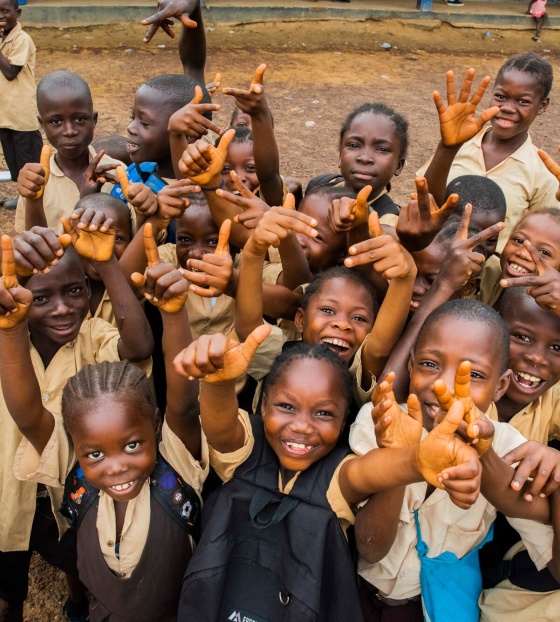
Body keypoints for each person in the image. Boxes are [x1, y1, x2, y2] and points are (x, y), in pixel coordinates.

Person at [174, 329, 484, 620]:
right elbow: (221, 428)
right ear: (263, 405)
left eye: (323, 413)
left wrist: (414, 460)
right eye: (286, 406)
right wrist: (217, 384)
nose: (303, 426)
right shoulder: (246, 450)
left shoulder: (336, 475)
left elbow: (366, 474)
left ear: (343, 419)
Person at [0, 240, 208, 621]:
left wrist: (175, 317)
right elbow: (29, 414)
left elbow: (184, 402)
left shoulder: (177, 467)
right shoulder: (77, 477)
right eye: (94, 453)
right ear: (75, 447)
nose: (115, 466)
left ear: (157, 424)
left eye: (131, 444)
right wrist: (11, 332)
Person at [351, 299, 560, 621]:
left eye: (473, 374)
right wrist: (398, 459)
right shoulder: (381, 423)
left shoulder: (507, 446)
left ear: (500, 386)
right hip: (358, 592)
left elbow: (544, 539)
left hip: (436, 606)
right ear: (410, 366)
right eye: (430, 365)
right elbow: (370, 548)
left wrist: (485, 455)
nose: (443, 386)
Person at [0, 208, 152, 621]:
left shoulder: (94, 336)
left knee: (76, 558)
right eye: (41, 297)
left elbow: (137, 347)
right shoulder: (5, 334)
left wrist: (108, 264)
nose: (64, 309)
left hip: (69, 486)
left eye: (75, 291)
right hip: (7, 492)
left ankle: (77, 598)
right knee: (6, 584)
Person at [419, 54, 560, 251]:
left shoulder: (542, 173)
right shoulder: (460, 145)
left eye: (523, 101)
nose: (507, 108)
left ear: (542, 106)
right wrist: (447, 148)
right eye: (501, 97)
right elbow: (425, 204)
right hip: (434, 263)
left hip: (493, 276)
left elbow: (544, 239)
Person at [14, 71, 126, 234]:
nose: (69, 131)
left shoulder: (117, 172)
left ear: (94, 120)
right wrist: (33, 201)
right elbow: (32, 241)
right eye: (56, 121)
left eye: (79, 119)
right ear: (42, 124)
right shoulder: (35, 181)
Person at [0, 0, 42, 210]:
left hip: (22, 111)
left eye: (6, 11)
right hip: (5, 111)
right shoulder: (3, 39)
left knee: (28, 156)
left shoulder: (22, 39)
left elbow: (10, 72)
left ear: (18, 13)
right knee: (12, 156)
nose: (1, 16)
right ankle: (23, 195)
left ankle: (35, 198)